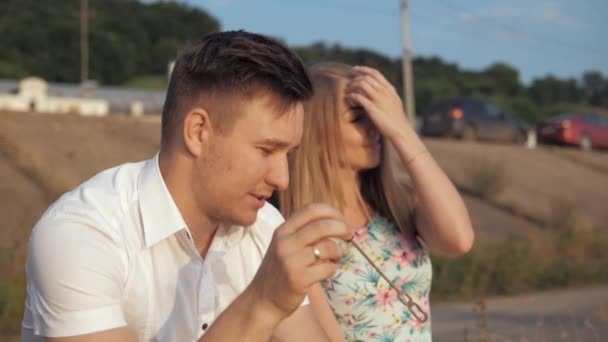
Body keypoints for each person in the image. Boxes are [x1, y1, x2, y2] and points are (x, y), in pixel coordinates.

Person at [21, 31, 351, 342]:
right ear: (197, 132)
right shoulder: (82, 233)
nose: (282, 179)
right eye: (266, 150)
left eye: (288, 154)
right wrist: (264, 303)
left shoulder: (265, 228)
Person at [276, 62, 475, 341]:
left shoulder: (398, 201)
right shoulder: (298, 230)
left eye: (377, 115)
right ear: (316, 131)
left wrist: (402, 130)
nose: (376, 127)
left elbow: (458, 240)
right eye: (358, 118)